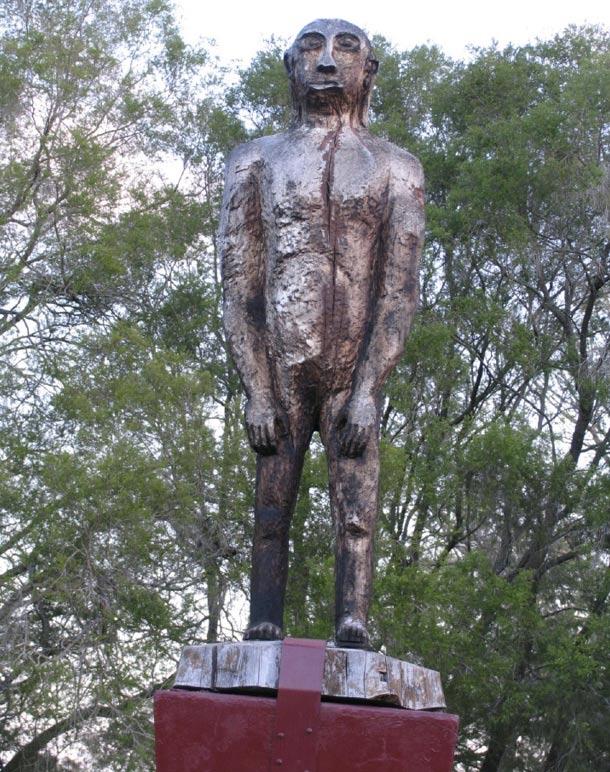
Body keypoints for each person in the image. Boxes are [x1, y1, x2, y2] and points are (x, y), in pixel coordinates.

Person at [219, 18, 424, 648]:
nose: (328, 63)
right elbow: (239, 288)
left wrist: (368, 387)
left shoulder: (397, 169)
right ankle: (264, 618)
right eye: (311, 49)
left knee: (357, 511)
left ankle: (352, 619)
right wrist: (255, 387)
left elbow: (398, 292)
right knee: (270, 508)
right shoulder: (254, 161)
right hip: (281, 367)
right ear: (291, 67)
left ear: (370, 70)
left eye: (345, 50)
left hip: (351, 368)